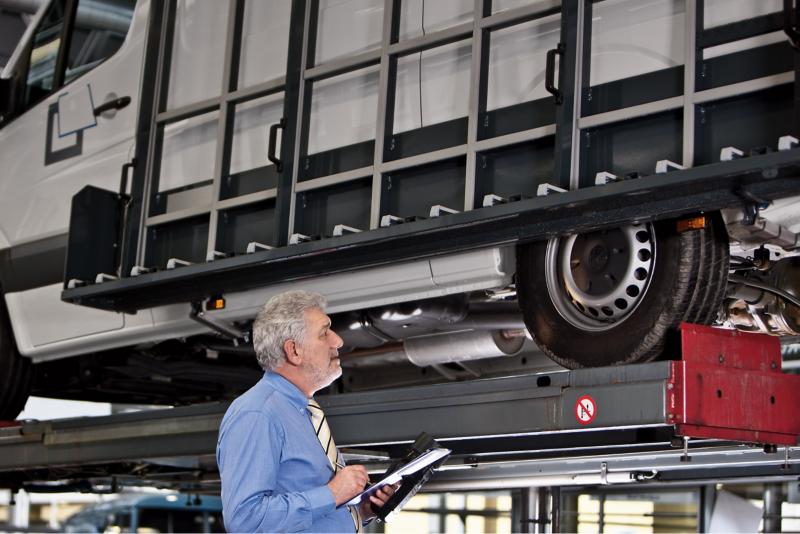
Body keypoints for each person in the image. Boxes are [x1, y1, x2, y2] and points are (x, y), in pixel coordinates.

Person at [217, 290, 397, 533]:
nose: (338, 341)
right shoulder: (257, 413)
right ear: (294, 351)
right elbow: (245, 520)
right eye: (324, 333)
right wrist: (332, 494)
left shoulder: (305, 412)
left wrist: (361, 510)